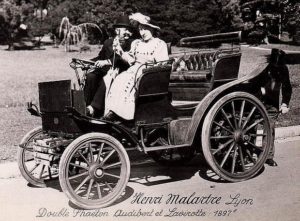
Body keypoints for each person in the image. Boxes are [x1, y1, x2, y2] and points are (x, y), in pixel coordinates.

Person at [102, 13, 169, 121]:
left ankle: (123, 114)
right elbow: (131, 60)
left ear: (152, 29)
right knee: (119, 79)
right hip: (134, 69)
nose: (143, 32)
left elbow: (163, 64)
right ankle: (113, 111)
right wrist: (120, 50)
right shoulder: (137, 43)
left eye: (145, 29)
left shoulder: (160, 44)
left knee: (129, 80)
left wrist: (148, 68)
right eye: (141, 29)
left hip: (149, 73)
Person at [84, 15, 135, 117]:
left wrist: (106, 61)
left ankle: (94, 107)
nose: (127, 33)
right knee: (90, 76)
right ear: (117, 31)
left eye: (129, 30)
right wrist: (88, 62)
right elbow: (100, 57)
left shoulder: (130, 44)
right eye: (125, 30)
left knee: (107, 78)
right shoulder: (108, 42)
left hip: (120, 71)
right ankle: (86, 106)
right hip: (104, 70)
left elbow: (121, 59)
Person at [260, 48, 292, 166]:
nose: (276, 68)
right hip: (259, 101)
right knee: (256, 128)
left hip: (272, 103)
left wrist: (284, 103)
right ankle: (255, 152)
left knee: (270, 129)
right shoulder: (264, 68)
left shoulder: (283, 69)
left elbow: (287, 87)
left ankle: (268, 156)